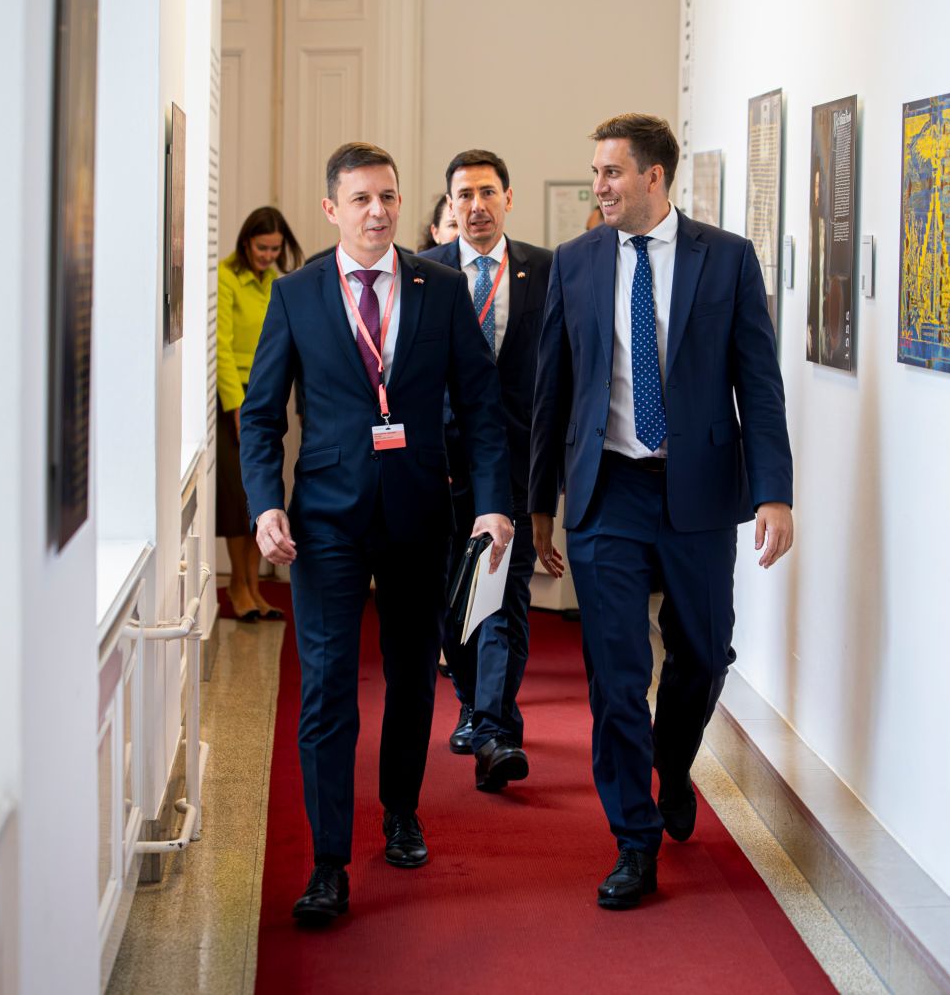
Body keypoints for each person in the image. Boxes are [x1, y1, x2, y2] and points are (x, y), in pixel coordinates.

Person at [240, 141, 514, 926]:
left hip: (418, 511)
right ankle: (328, 861)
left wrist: (493, 502)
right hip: (324, 520)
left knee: (411, 675)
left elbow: (483, 407)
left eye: (388, 196)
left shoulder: (440, 287)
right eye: (361, 198)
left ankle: (401, 811)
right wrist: (264, 505)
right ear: (332, 208)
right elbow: (260, 416)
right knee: (327, 687)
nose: (378, 211)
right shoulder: (296, 294)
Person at [530, 113, 795, 910]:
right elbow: (551, 389)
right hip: (607, 489)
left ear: (654, 176)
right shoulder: (575, 261)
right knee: (616, 673)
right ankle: (633, 840)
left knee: (705, 653)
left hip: (699, 489)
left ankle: (671, 764)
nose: (599, 186)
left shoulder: (727, 259)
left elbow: (759, 382)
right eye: (596, 172)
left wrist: (774, 491)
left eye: (611, 172)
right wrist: (538, 503)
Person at [420, 149, 554, 791]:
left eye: (487, 193)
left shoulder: (545, 270)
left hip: (519, 461)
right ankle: (475, 705)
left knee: (504, 593)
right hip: (440, 464)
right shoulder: (424, 273)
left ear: (508, 198)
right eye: (463, 196)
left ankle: (496, 728)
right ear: (450, 205)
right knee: (452, 599)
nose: (476, 206)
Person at [216, 205, 301, 620]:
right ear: (246, 242)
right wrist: (236, 405)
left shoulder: (276, 284)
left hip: (266, 395)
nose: (268, 256)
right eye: (262, 248)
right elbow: (221, 345)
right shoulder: (226, 277)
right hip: (233, 398)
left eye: (274, 249)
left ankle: (253, 585)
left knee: (259, 494)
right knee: (237, 497)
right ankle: (238, 584)